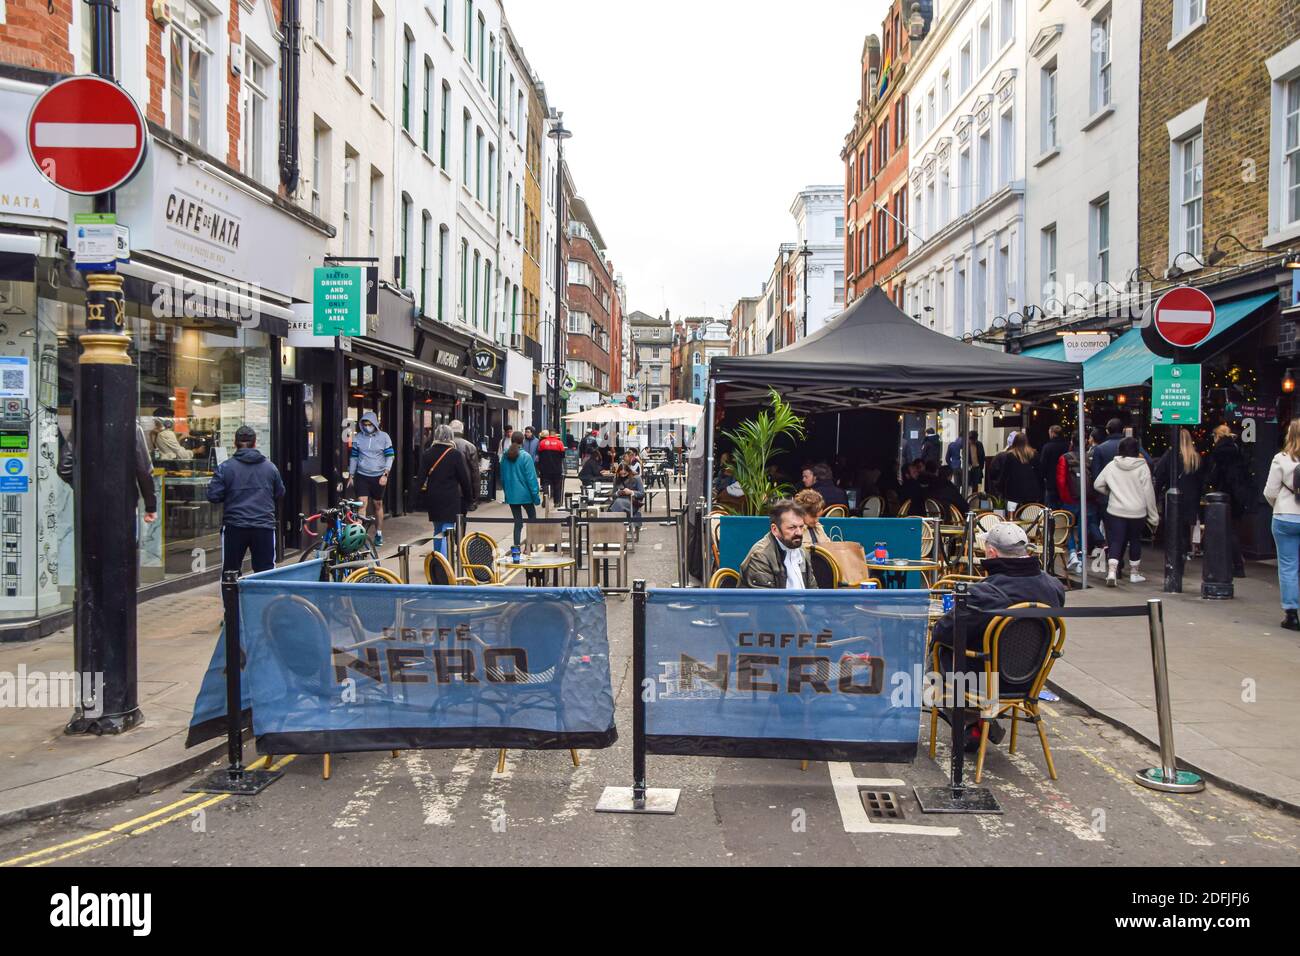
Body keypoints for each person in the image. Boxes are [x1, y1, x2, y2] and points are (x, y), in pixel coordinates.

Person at [931, 523, 1065, 750]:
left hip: (986, 679)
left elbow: (944, 632)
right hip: (1031, 679)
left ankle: (974, 720)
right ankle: (980, 722)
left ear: (991, 553)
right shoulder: (1054, 587)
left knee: (936, 651)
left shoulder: (984, 593)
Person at [206, 425, 284, 574]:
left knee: (231, 573)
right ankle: (262, 598)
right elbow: (279, 493)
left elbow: (213, 496)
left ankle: (233, 598)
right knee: (265, 573)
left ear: (235, 444)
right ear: (255, 443)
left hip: (234, 527)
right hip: (264, 526)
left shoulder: (225, 468)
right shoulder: (270, 467)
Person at [58, 422, 158, 526]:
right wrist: (151, 506)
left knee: (91, 541)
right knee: (124, 540)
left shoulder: (83, 425)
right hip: (123, 503)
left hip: (90, 505)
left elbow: (64, 468)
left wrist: (88, 490)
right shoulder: (132, 426)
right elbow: (144, 470)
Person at [1094, 437, 1159, 586]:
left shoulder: (1112, 465)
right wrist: (1153, 516)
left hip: (1116, 510)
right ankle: (1134, 574)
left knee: (1116, 540)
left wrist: (1110, 493)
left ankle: (1111, 572)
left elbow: (1098, 484)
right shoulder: (1142, 467)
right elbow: (1149, 493)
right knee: (1135, 540)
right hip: (1137, 511)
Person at [1263, 418, 1300, 631]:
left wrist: (1278, 505)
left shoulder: (1281, 459)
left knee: (1288, 566)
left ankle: (1292, 614)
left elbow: (1270, 492)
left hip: (1285, 516)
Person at [418, 424, 472, 558]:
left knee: (437, 529)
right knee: (447, 529)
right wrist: (469, 497)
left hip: (433, 497)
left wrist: (416, 498)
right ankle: (444, 561)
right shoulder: (455, 455)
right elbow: (464, 479)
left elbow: (420, 478)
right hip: (450, 497)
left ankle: (437, 558)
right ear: (451, 437)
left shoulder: (427, 454)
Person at [739, 499, 819, 589]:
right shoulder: (760, 556)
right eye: (792, 528)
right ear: (775, 529)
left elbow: (813, 591)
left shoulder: (802, 551)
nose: (799, 533)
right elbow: (765, 600)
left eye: (801, 527)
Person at [1206, 423, 1250, 577]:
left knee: (1228, 532)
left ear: (1218, 436)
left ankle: (1236, 565)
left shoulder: (1220, 451)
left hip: (1226, 495)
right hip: (1239, 494)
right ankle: (1237, 564)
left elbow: (1216, 474)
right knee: (1233, 531)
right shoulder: (1237, 448)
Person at [1153, 428, 1204, 562]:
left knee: (1172, 529)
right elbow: (1201, 482)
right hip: (1191, 499)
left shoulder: (1171, 455)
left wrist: (1155, 495)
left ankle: (1173, 558)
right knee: (1185, 530)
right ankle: (1183, 554)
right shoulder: (1195, 458)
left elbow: (1159, 475)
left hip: (1174, 499)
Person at [344, 412, 394, 546]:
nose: (367, 427)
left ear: (375, 424)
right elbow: (354, 457)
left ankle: (378, 533)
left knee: (378, 504)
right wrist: (351, 475)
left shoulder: (384, 437)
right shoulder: (358, 438)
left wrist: (385, 474)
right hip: (362, 475)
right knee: (362, 503)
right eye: (364, 424)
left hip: (378, 476)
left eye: (369, 424)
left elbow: (390, 456)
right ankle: (359, 537)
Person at [499, 431, 541, 547]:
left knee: (518, 523)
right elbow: (531, 478)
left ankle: (516, 548)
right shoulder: (526, 456)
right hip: (526, 495)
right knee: (532, 520)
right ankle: (530, 546)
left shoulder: (505, 456)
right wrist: (536, 496)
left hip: (512, 495)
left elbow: (502, 477)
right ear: (522, 441)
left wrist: (507, 491)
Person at [998, 432, 1040, 510]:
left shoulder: (1010, 455)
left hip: (1013, 491)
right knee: (1029, 516)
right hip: (1031, 491)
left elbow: (1005, 473)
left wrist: (1000, 487)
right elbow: (1039, 473)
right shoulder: (1034, 454)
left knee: (1012, 516)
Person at [449, 419, 480, 512]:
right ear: (462, 430)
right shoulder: (469, 446)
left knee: (446, 518)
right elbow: (475, 472)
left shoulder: (441, 445)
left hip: (445, 489)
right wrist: (475, 496)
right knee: (462, 518)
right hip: (464, 489)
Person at [1037, 425, 1070, 507]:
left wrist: (1042, 477)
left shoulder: (1047, 447)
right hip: (1065, 481)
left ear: (1052, 433)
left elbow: (1043, 465)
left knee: (1051, 508)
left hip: (1051, 481)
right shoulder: (1067, 445)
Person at [536, 429, 567, 513]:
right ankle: (556, 502)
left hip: (545, 468)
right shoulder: (559, 443)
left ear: (549, 434)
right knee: (557, 485)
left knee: (545, 484)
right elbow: (563, 456)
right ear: (555, 434)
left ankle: (545, 500)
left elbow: (539, 455)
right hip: (557, 469)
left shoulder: (542, 443)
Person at [608, 463, 645, 528]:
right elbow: (613, 494)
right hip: (620, 501)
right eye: (621, 474)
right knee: (618, 502)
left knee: (618, 503)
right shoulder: (616, 478)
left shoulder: (636, 478)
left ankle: (611, 525)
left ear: (629, 471)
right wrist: (618, 493)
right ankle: (613, 526)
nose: (622, 476)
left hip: (633, 503)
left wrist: (631, 492)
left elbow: (642, 493)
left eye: (624, 474)